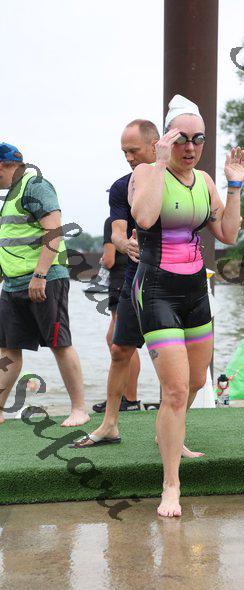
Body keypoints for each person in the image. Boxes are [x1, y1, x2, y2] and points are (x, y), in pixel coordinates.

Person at [130, 95, 244, 517]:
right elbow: (145, 218)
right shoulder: (146, 173)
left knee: (196, 381)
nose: (190, 147)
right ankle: (171, 485)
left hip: (196, 291)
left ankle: (170, 431)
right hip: (157, 290)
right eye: (182, 138)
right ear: (166, 139)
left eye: (198, 139)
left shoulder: (204, 182)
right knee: (176, 390)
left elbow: (229, 234)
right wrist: (159, 164)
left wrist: (234, 185)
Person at [71, 120, 158, 446]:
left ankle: (173, 428)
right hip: (134, 278)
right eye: (124, 152)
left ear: (155, 145)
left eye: (133, 150)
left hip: (174, 279)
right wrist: (124, 243)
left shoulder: (178, 181)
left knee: (184, 370)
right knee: (119, 347)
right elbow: (117, 233)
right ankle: (110, 424)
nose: (129, 158)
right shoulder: (121, 187)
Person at [0, 143, 89, 426]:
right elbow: (11, 242)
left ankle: (79, 409)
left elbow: (54, 230)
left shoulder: (35, 186)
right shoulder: (11, 194)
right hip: (12, 285)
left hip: (44, 280)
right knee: (7, 350)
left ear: (2, 166)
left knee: (59, 344)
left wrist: (39, 275)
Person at [92, 216, 141, 412]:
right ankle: (125, 396)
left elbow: (109, 260)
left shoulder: (112, 222)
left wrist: (103, 260)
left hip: (120, 281)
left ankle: (129, 398)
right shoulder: (141, 218)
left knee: (122, 341)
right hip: (136, 280)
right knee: (118, 339)